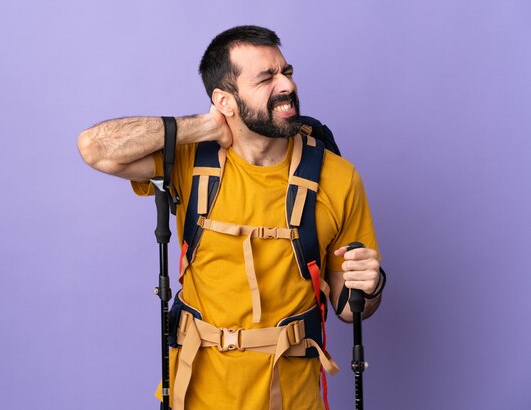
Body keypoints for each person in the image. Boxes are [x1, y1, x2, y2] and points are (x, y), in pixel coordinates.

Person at [78, 25, 384, 410]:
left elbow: (349, 307)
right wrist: (202, 127)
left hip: (294, 400)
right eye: (266, 78)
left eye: (286, 72)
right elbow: (95, 148)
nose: (286, 85)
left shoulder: (337, 176)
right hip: (196, 396)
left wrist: (369, 287)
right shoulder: (191, 161)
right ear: (225, 99)